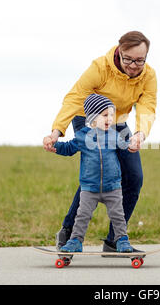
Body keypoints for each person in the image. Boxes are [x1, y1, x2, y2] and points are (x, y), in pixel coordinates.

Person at [43, 31, 157, 253]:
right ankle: (68, 233)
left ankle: (116, 239)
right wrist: (57, 132)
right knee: (95, 173)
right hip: (88, 120)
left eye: (140, 60)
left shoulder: (148, 76)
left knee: (134, 176)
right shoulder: (100, 67)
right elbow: (75, 97)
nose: (134, 66)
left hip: (118, 121)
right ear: (119, 52)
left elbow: (147, 105)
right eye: (129, 59)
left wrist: (140, 134)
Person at [53, 94, 133, 253]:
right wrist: (54, 145)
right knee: (82, 216)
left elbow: (125, 146)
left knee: (118, 216)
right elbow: (68, 148)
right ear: (92, 118)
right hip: (89, 188)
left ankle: (122, 240)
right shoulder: (82, 136)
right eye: (105, 115)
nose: (110, 118)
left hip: (113, 187)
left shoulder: (114, 135)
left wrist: (133, 144)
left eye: (111, 115)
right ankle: (76, 240)